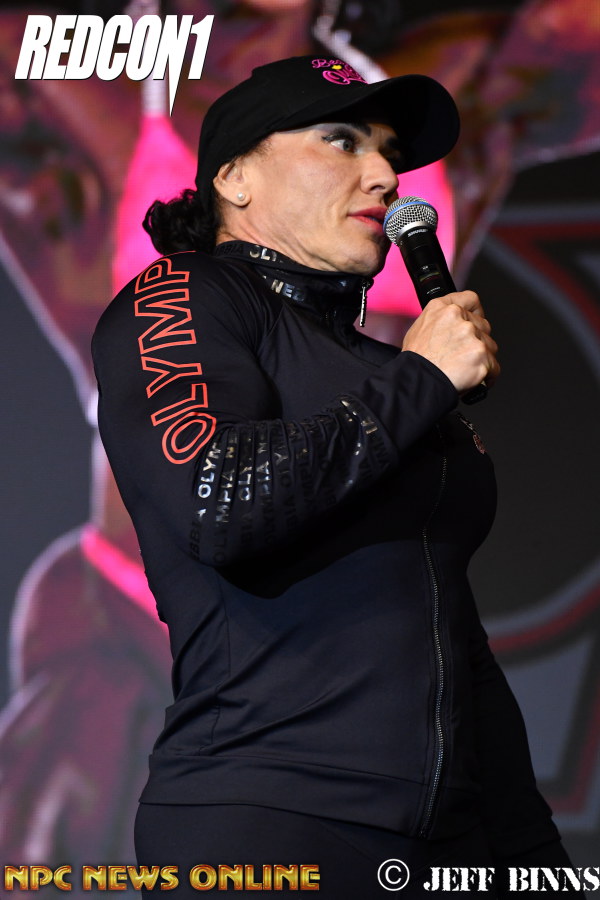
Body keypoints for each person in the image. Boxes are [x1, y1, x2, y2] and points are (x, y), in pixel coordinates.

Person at [92, 56, 574, 898]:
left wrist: (531, 857)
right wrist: (421, 380)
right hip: (270, 824)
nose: (385, 175)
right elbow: (219, 502)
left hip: (454, 843)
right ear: (234, 178)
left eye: (390, 153)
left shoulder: (388, 369)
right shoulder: (182, 295)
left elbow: (448, 633)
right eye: (342, 141)